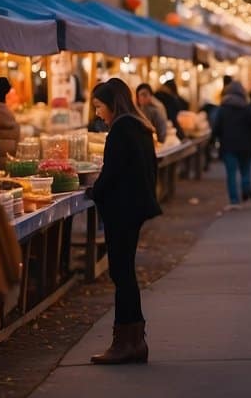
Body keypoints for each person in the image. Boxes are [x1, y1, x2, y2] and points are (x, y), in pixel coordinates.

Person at [88, 78, 162, 365]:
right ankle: (134, 341)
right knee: (124, 272)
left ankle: (124, 343)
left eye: (98, 107)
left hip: (123, 209)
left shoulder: (120, 129)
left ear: (112, 104)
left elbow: (111, 172)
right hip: (135, 207)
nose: (97, 113)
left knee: (121, 273)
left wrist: (95, 191)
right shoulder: (139, 125)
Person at [214, 81, 251, 209]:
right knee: (245, 171)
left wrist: (215, 141)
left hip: (228, 145)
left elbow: (216, 127)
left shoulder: (223, 109)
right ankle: (246, 188)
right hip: (246, 146)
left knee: (231, 174)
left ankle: (234, 201)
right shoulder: (247, 108)